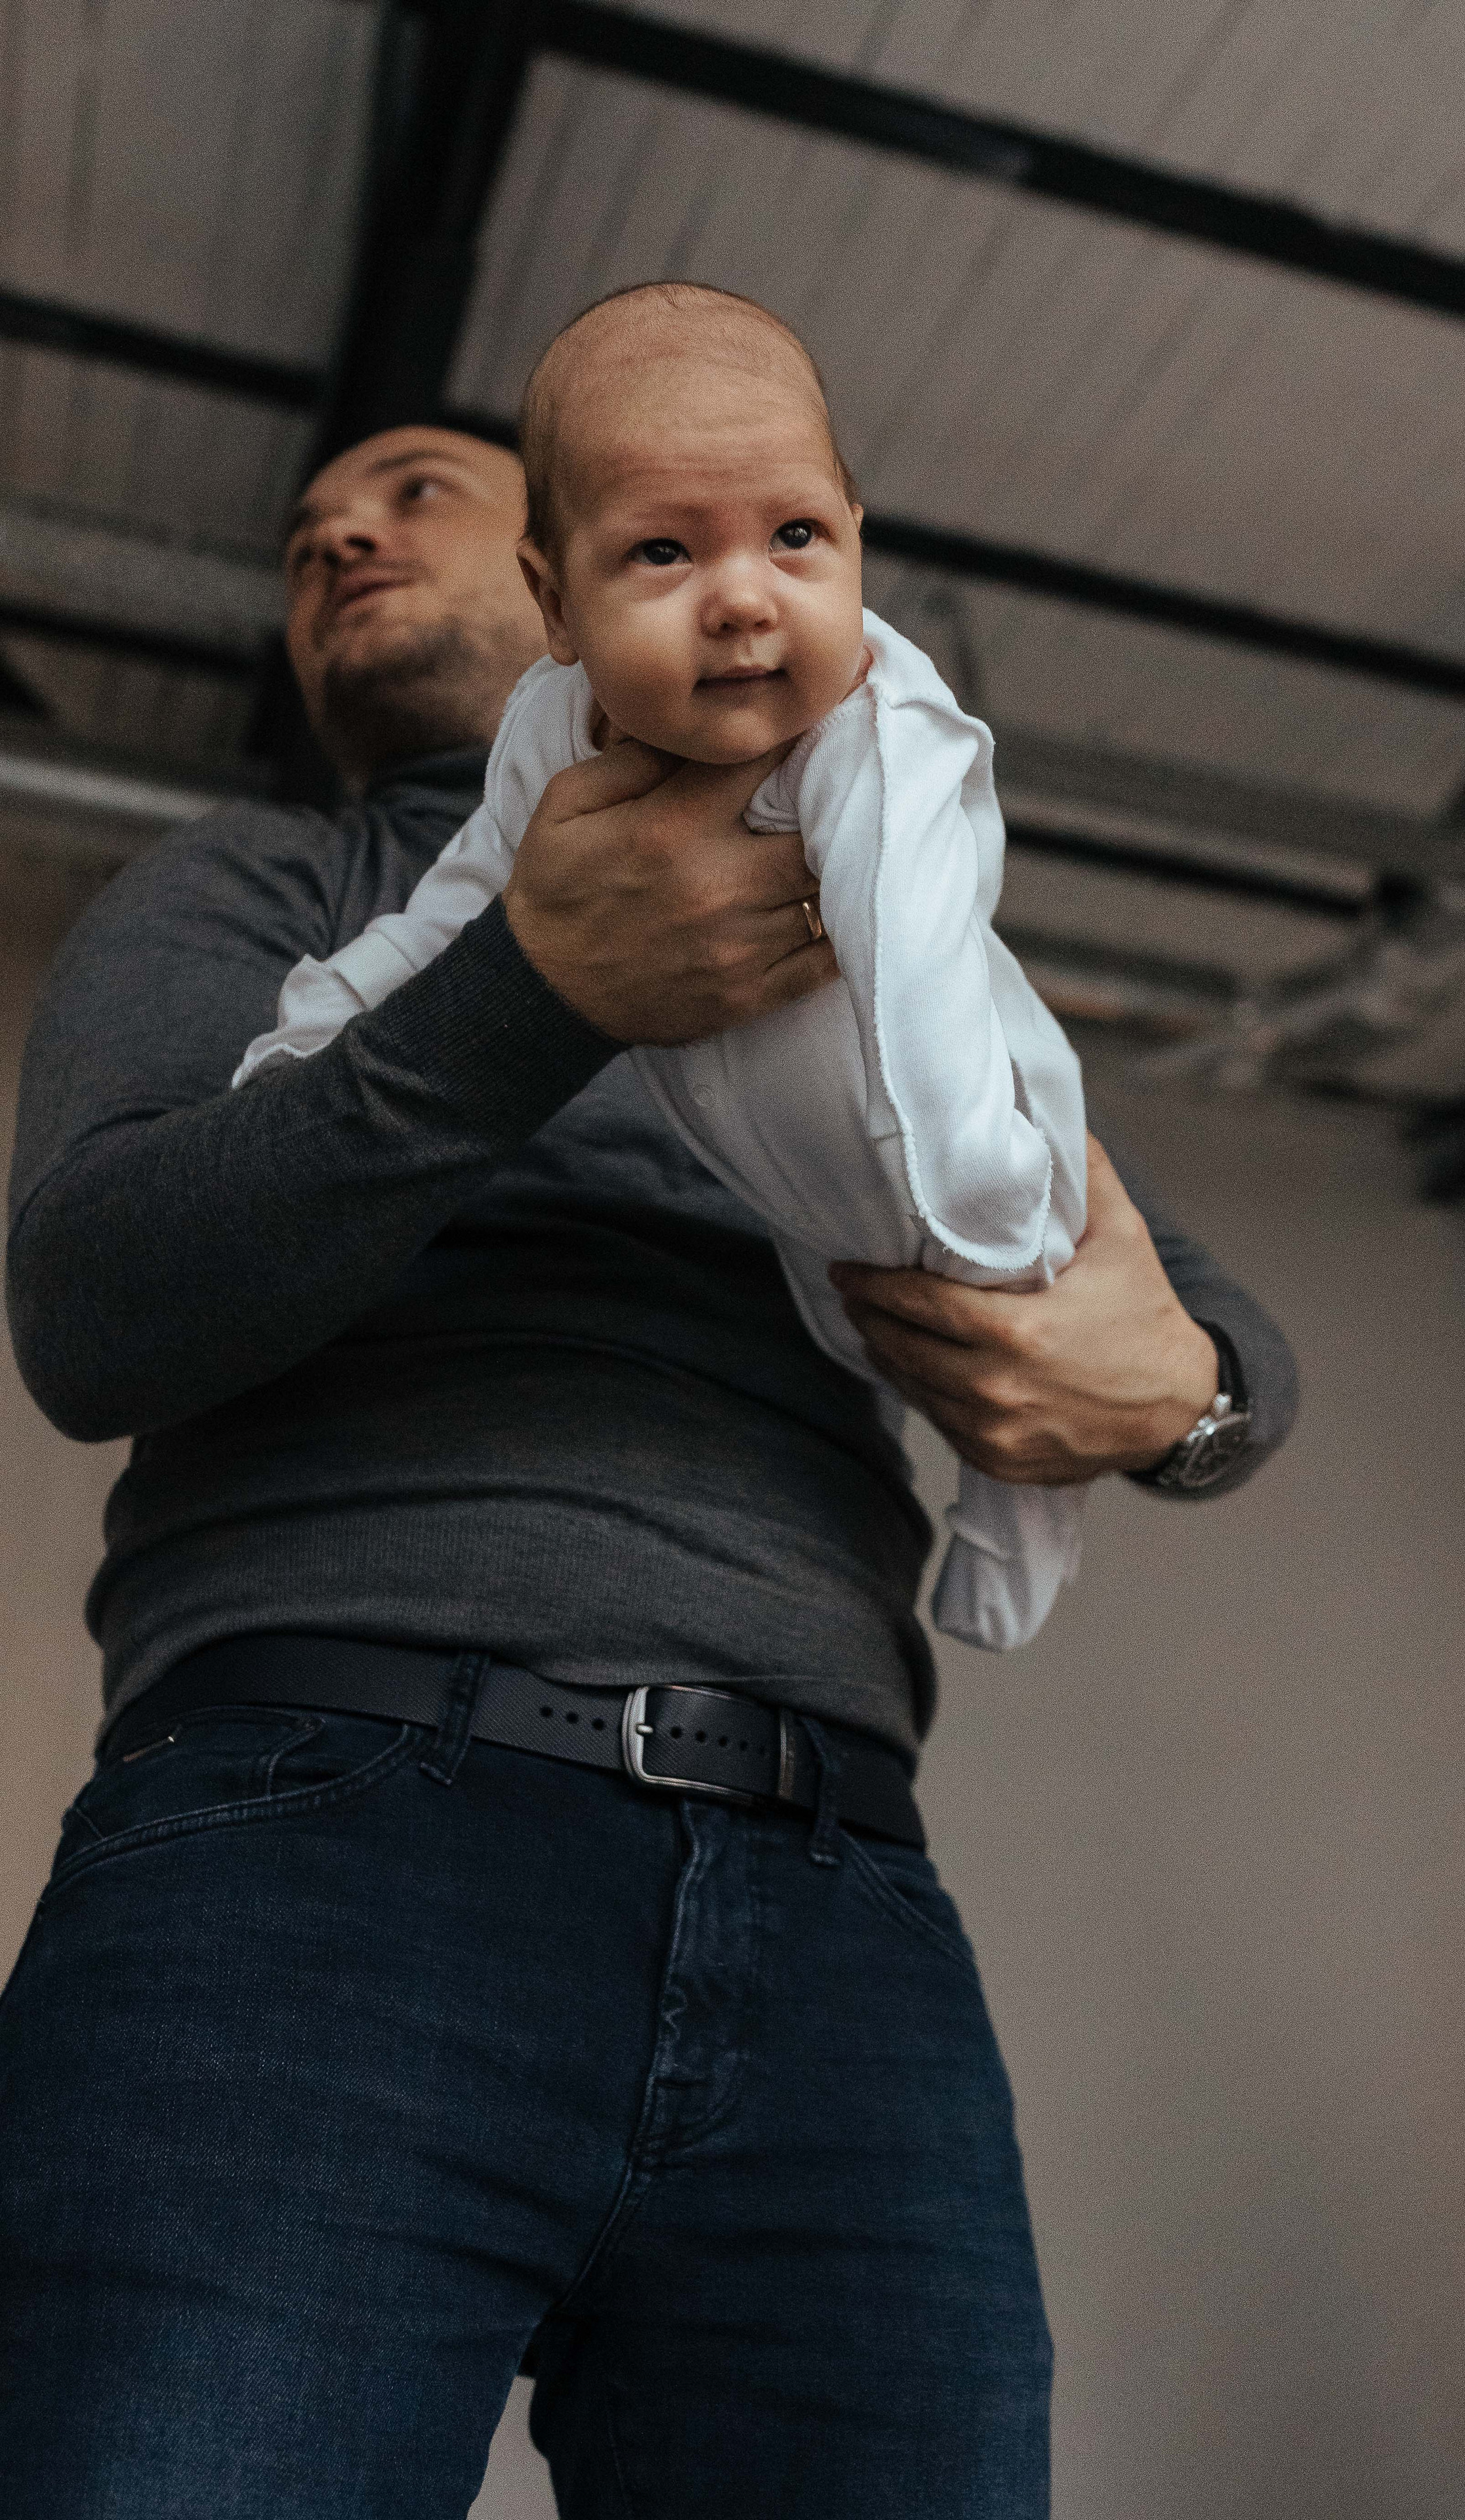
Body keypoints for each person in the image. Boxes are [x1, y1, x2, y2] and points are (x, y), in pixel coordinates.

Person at [1, 415, 1297, 2519]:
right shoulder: (253, 887)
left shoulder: (855, 886)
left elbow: (1205, 1332)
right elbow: (86, 1310)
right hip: (307, 1856)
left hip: (845, 1894)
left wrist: (1193, 1400)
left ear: (582, 563)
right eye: (308, 526)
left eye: (410, 488)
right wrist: (527, 992)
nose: (334, 529)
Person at [237, 283, 1090, 1653]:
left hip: (958, 1138)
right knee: (844, 1320)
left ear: (857, 545)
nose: (744, 599)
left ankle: (1014, 1523)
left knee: (1001, 1361)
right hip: (786, 1187)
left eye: (795, 536)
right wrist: (326, 1017)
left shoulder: (883, 729)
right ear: (554, 599)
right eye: (659, 555)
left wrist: (980, 1195)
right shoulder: (549, 729)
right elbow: (466, 899)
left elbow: (918, 958)